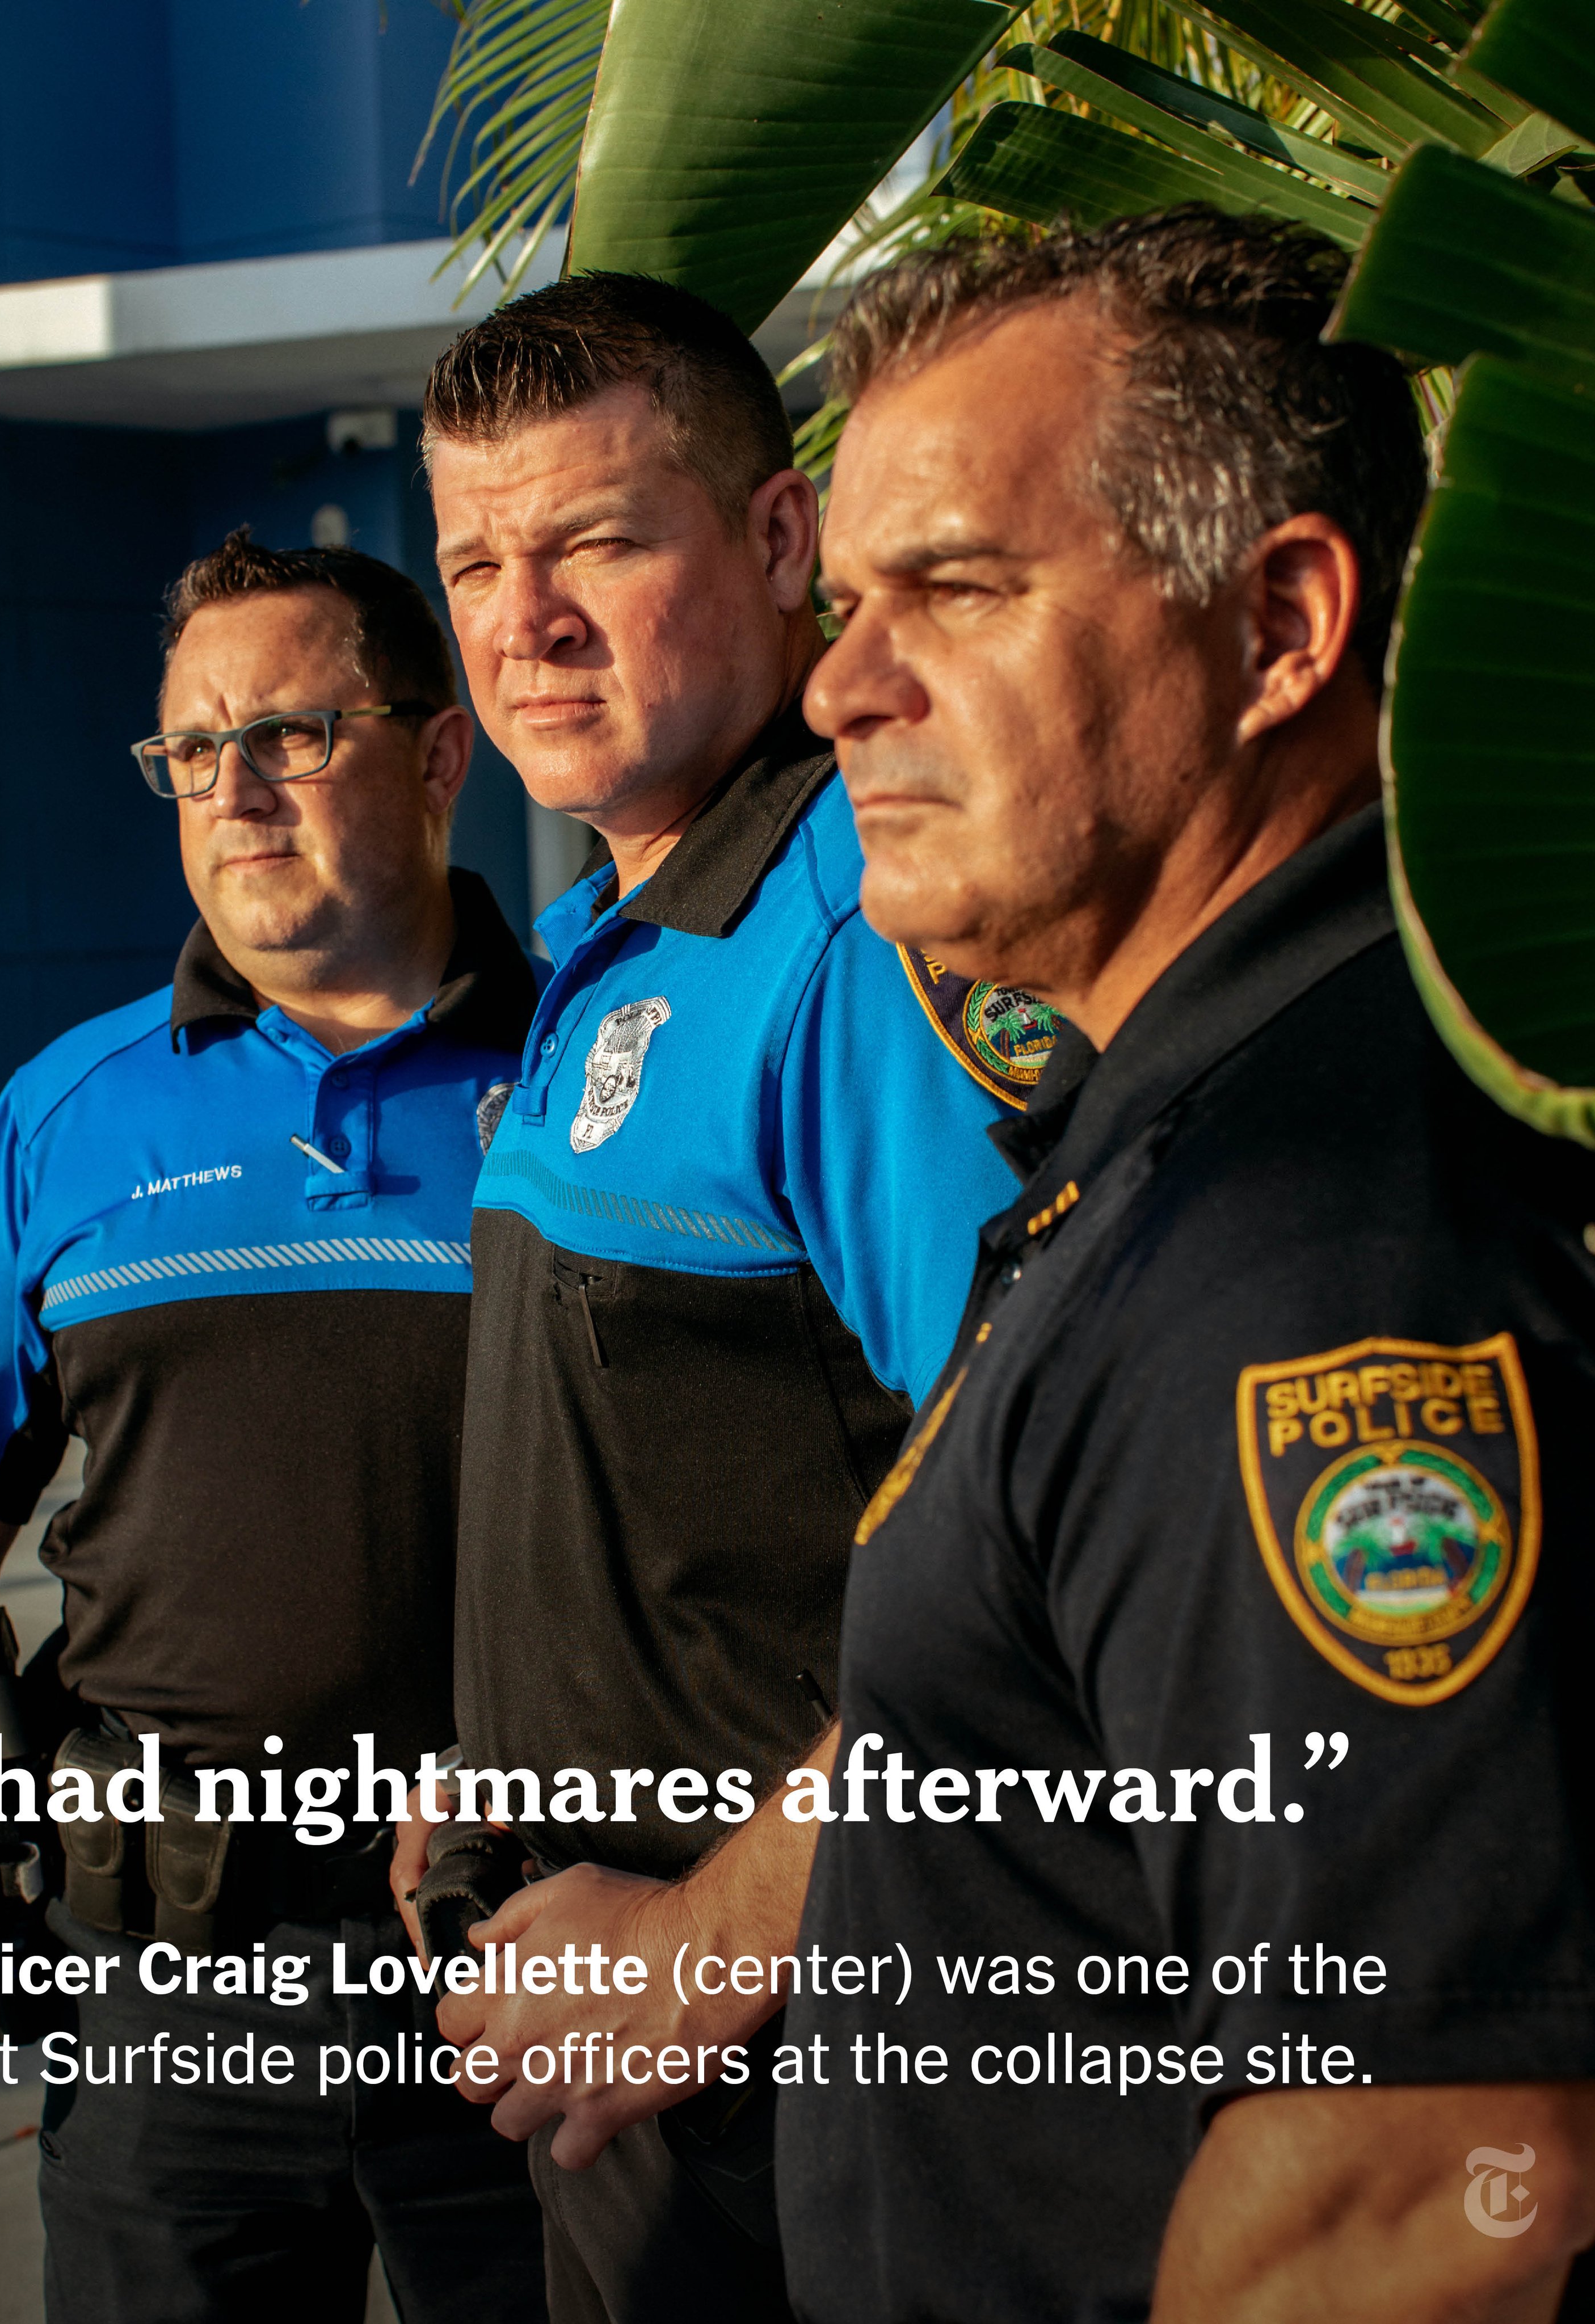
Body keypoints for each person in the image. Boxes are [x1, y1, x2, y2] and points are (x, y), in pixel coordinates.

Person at [781, 208, 1595, 2321]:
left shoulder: (1315, 1243)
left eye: (955, 589)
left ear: (1280, 628)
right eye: (845, 602)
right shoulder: (1186, 1128)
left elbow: (1437, 2173)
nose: (837, 683)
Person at [0, 532, 548, 2324]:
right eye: (192, 751)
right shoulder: (71, 1112)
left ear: (441, 753)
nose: (233, 791)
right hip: (169, 1987)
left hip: (535, 1950)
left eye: (292, 734)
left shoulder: (609, 1079)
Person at [393, 273, 1025, 2322]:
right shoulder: (625, 926)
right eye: (478, 561)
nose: (525, 622)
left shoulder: (855, 933)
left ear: (779, 542)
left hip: (818, 2101)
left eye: (594, 542)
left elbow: (1059, 1529)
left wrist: (714, 1944)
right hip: (634, 2092)